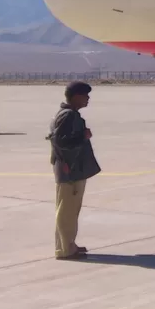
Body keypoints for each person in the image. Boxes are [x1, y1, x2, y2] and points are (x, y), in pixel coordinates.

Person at [47, 81, 101, 260]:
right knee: (67, 210)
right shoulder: (68, 115)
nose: (88, 99)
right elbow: (60, 142)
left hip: (73, 169)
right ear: (76, 96)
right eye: (86, 96)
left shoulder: (70, 115)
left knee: (70, 209)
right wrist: (82, 137)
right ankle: (64, 249)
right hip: (70, 171)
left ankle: (68, 244)